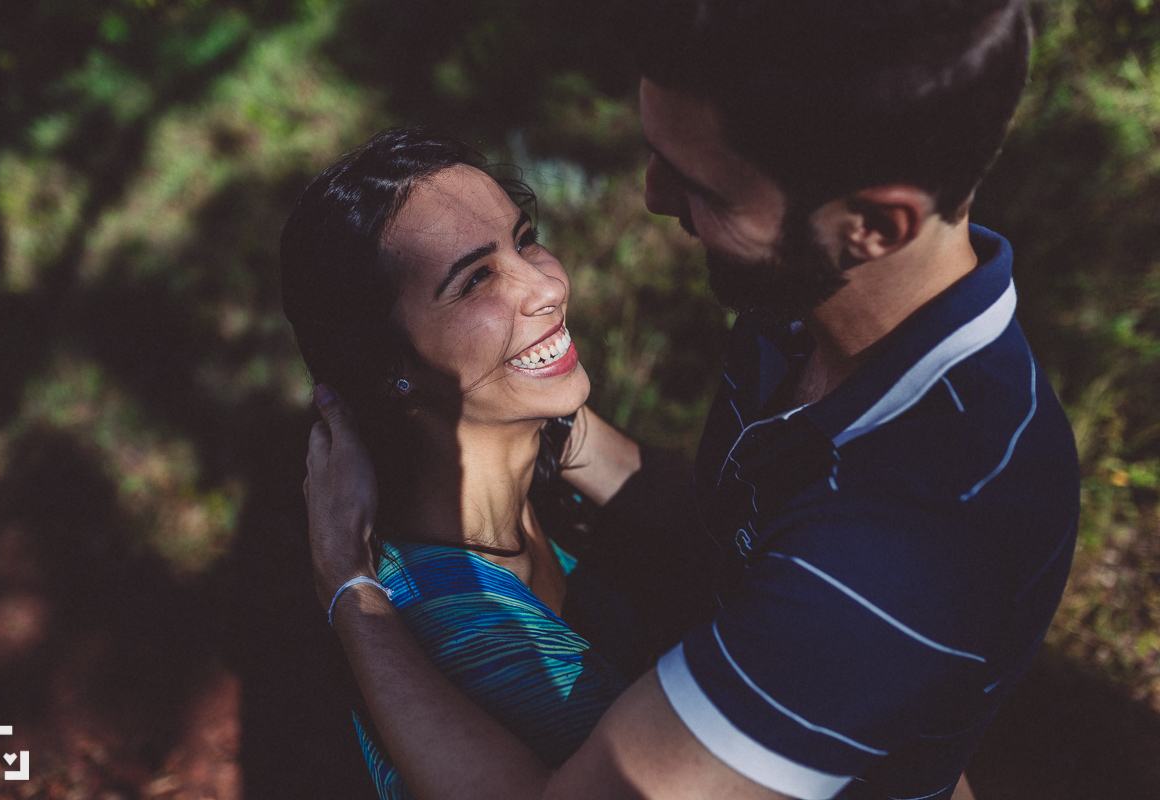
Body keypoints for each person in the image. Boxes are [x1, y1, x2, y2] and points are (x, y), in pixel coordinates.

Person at [303, 1, 1081, 798]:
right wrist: (546, 419)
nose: (652, 197)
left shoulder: (907, 544)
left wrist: (348, 587)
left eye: (704, 186)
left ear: (874, 226)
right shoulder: (800, 300)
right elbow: (737, 523)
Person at [282, 127, 656, 798]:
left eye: (525, 240)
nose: (546, 286)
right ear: (386, 368)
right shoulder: (473, 638)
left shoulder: (528, 448)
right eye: (477, 278)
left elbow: (696, 516)